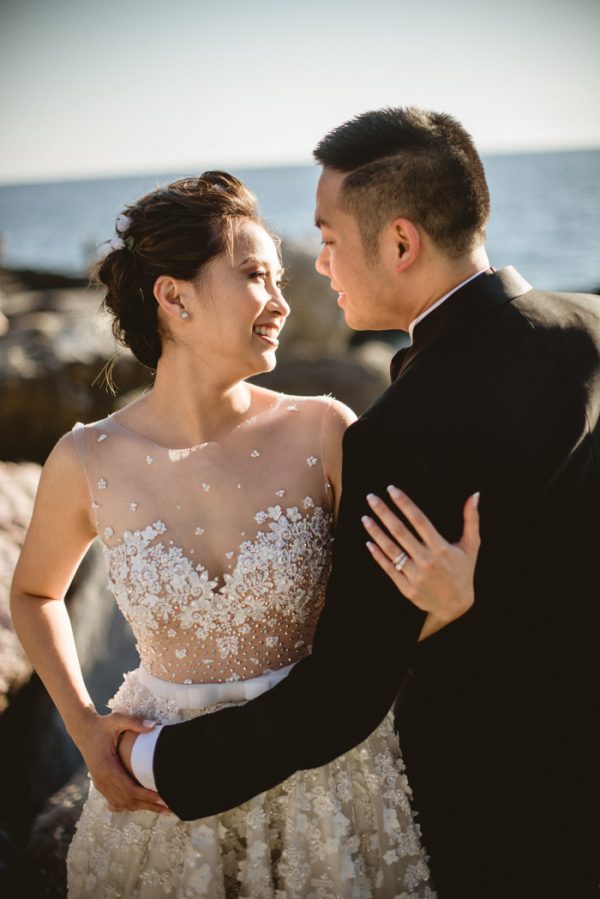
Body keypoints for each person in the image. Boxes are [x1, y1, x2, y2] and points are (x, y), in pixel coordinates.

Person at [120, 110, 600, 899]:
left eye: (329, 237)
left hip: (506, 795)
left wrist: (149, 758)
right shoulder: (590, 324)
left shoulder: (395, 438)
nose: (321, 264)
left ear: (401, 243)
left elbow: (341, 696)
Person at [10, 170, 480, 898]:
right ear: (174, 296)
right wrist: (84, 726)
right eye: (256, 275)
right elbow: (36, 591)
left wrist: (444, 604)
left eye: (280, 277)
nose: (283, 301)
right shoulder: (85, 458)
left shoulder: (326, 430)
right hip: (156, 787)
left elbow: (375, 619)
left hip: (327, 784)